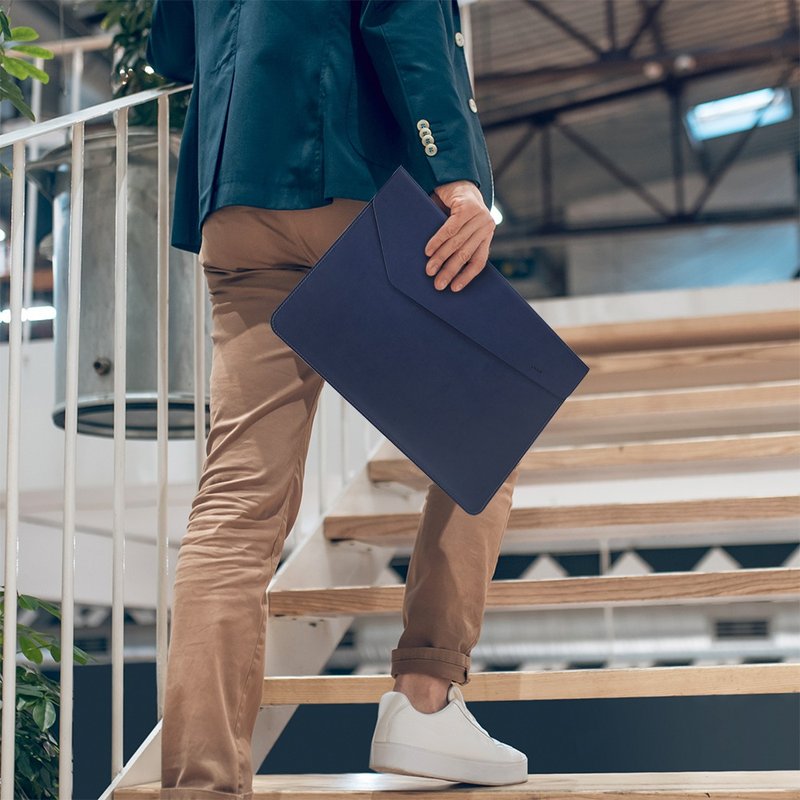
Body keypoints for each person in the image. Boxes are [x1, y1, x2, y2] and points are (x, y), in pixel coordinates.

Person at [146, 1, 527, 797]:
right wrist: (458, 174)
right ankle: (425, 699)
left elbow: (172, 47)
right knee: (493, 421)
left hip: (232, 196)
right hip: (341, 174)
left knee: (236, 511)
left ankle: (198, 780)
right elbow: (404, 16)